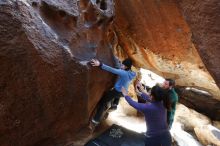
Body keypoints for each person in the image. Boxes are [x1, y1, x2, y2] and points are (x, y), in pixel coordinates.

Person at [90, 58, 136, 126]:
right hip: (123, 92)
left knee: (103, 101)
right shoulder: (132, 73)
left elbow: (112, 70)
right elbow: (121, 70)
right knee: (117, 94)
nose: (121, 66)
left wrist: (99, 64)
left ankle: (96, 120)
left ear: (126, 67)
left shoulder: (123, 72)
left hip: (117, 91)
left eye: (122, 65)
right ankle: (115, 104)